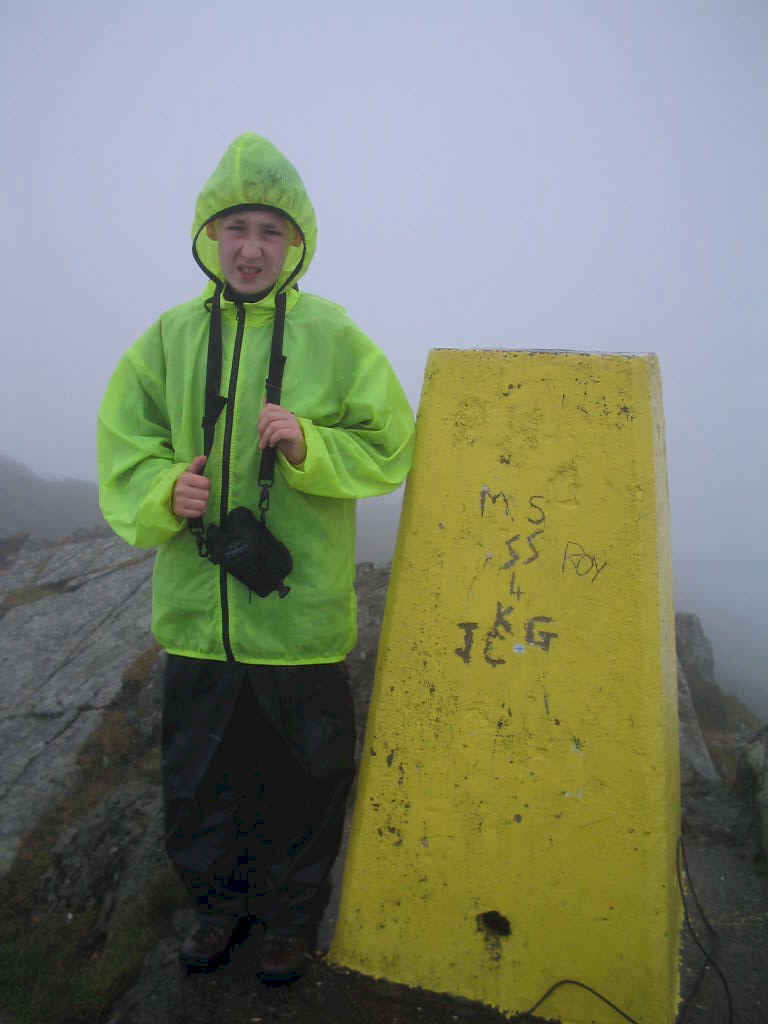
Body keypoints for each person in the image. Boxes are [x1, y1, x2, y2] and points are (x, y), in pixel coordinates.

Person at [97, 133, 414, 980]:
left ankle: (286, 923)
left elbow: (392, 443)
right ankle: (216, 911)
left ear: (296, 243)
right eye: (235, 227)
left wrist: (311, 442)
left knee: (305, 783)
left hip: (298, 620)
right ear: (209, 236)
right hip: (199, 620)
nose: (249, 248)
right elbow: (125, 445)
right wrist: (168, 490)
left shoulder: (333, 334)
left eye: (270, 231)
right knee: (201, 783)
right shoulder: (167, 338)